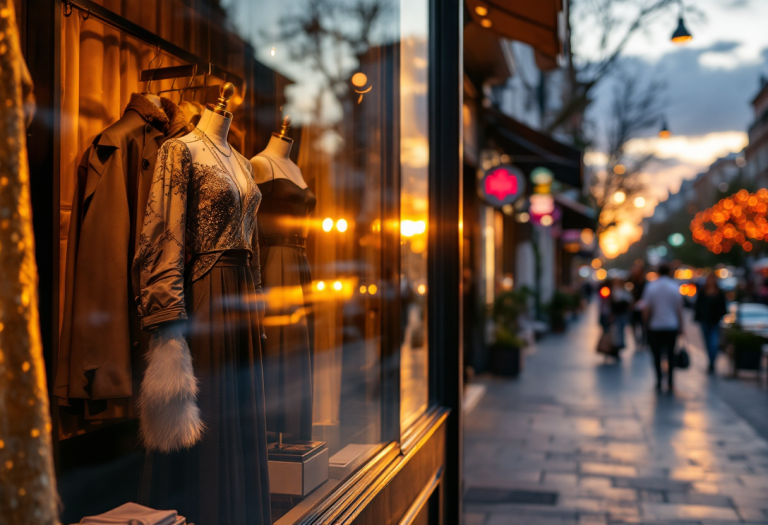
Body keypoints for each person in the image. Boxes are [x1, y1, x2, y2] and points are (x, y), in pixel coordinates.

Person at [641, 264, 683, 391]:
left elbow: (646, 308)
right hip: (671, 326)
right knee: (670, 354)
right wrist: (681, 326)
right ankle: (670, 380)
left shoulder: (651, 287)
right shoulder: (674, 287)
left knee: (656, 355)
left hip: (656, 326)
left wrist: (645, 324)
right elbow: (679, 310)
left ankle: (659, 380)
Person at [695, 273, 727, 374]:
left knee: (713, 342)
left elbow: (723, 307)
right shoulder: (703, 292)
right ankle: (711, 361)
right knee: (707, 342)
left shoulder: (719, 292)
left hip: (715, 321)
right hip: (705, 320)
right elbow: (698, 305)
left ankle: (712, 362)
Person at [610, 277, 632, 350]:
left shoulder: (624, 291)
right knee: (617, 329)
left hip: (623, 312)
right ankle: (617, 344)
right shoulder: (614, 291)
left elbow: (629, 300)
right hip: (617, 313)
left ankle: (620, 343)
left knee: (621, 328)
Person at [629, 265, 647, 349]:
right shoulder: (632, 281)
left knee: (643, 325)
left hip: (643, 308)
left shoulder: (646, 283)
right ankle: (637, 341)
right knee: (634, 325)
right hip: (634, 308)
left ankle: (643, 341)